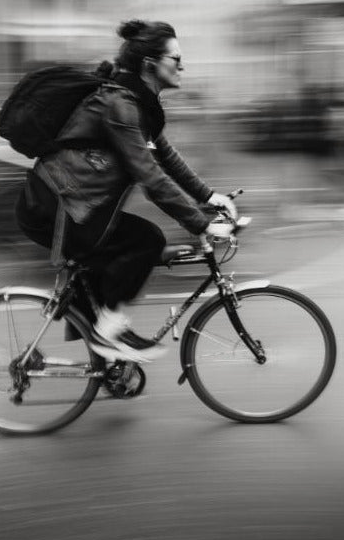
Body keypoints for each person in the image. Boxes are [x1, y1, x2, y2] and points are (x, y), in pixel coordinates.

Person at [15, 20, 237, 363]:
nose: (182, 65)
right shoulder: (121, 105)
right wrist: (201, 224)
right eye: (175, 59)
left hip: (78, 207)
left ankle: (107, 353)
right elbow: (150, 178)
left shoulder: (135, 103)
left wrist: (209, 197)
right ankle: (108, 332)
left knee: (127, 255)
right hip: (52, 207)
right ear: (150, 65)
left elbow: (166, 158)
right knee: (146, 240)